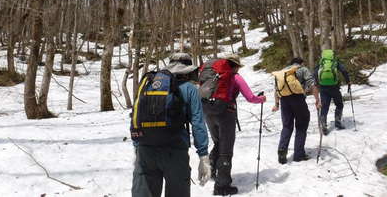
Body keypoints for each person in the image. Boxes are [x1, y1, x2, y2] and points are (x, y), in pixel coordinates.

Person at [131, 53, 211, 197]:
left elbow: (136, 117)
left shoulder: (149, 84)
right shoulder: (190, 89)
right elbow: (198, 123)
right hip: (175, 151)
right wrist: (203, 156)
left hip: (146, 150)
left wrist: (137, 147)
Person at [201, 53, 266, 196]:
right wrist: (261, 99)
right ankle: (222, 186)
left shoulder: (213, 76)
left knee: (218, 142)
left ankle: (212, 170)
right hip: (226, 114)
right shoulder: (235, 77)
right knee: (226, 149)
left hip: (208, 112)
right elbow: (250, 97)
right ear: (235, 66)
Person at [272, 57, 321, 164]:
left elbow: (276, 90)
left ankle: (282, 151)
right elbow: (312, 84)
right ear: (301, 63)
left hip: (284, 101)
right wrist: (317, 100)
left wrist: (276, 104)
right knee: (301, 125)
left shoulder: (283, 72)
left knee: (287, 126)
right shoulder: (302, 69)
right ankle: (299, 154)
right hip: (298, 99)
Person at [314, 49, 350, 135]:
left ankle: (323, 124)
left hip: (323, 88)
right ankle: (337, 122)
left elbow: (314, 73)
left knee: (324, 106)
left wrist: (317, 83)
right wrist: (348, 81)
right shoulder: (335, 62)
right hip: (334, 87)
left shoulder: (321, 63)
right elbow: (344, 71)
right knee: (339, 104)